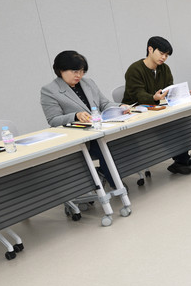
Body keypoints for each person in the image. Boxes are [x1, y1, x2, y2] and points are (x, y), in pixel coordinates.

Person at [40, 50, 128, 186]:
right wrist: (76, 116)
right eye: (75, 71)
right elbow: (54, 120)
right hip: (81, 137)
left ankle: (110, 174)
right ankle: (116, 184)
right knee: (103, 148)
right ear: (61, 70)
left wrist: (120, 106)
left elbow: (104, 104)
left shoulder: (88, 83)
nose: (79, 75)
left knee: (124, 140)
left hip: (101, 129)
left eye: (82, 71)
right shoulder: (49, 90)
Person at [122, 36, 191, 175]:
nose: (164, 58)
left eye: (166, 55)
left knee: (180, 122)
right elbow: (138, 95)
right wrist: (153, 97)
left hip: (156, 109)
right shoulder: (134, 69)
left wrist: (185, 94)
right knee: (170, 126)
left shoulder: (164, 69)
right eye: (161, 53)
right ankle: (182, 161)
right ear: (150, 49)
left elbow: (169, 90)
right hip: (136, 112)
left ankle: (181, 161)